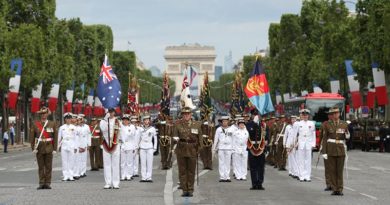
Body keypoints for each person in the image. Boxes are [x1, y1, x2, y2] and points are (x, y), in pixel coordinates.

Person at [172, 107, 203, 197]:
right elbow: (174, 136)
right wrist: (174, 142)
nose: (186, 115)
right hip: (181, 149)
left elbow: (200, 138)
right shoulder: (178, 124)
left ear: (191, 115)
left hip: (193, 149)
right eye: (184, 114)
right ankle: (184, 190)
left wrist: (200, 149)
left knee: (191, 171)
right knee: (182, 171)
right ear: (182, 115)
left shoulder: (197, 124)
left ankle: (190, 189)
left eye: (188, 114)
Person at [322, 107, 350, 196]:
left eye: (336, 113)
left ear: (339, 114)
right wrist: (324, 152)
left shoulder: (344, 124)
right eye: (333, 113)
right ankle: (335, 189)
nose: (335, 115)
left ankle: (340, 189)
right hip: (331, 149)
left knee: (339, 171)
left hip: (341, 150)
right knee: (332, 170)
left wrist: (348, 136)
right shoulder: (327, 124)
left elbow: (347, 138)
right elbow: (325, 138)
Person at [30, 107, 58, 190]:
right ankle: (41, 183)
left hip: (49, 147)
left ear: (47, 114)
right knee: (41, 167)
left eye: (45, 113)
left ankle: (48, 183)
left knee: (49, 166)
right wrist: (33, 148)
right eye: (42, 114)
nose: (43, 115)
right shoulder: (35, 124)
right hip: (39, 148)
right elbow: (32, 138)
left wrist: (55, 149)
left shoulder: (52, 124)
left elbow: (55, 137)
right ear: (40, 115)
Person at [100, 108, 121, 189]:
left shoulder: (118, 121)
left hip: (115, 144)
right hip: (106, 144)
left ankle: (116, 183)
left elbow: (121, 132)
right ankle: (108, 183)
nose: (111, 113)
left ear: (114, 112)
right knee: (107, 164)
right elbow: (103, 129)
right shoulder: (103, 121)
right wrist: (105, 119)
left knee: (115, 164)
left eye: (112, 112)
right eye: (109, 112)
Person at [293, 109, 316, 182]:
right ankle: (301, 176)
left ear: (308, 116)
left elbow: (313, 134)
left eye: (306, 115)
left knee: (308, 160)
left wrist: (313, 144)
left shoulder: (311, 123)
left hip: (308, 143)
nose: (305, 116)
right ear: (302, 116)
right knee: (301, 160)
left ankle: (307, 176)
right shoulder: (298, 124)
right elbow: (295, 134)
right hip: (301, 143)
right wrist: (294, 143)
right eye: (303, 115)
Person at [247, 115, 268, 190]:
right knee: (253, 167)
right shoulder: (249, 124)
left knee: (261, 167)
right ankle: (254, 184)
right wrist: (254, 123)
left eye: (258, 115)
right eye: (255, 115)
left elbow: (266, 135)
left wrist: (266, 144)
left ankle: (260, 183)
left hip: (261, 147)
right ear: (252, 116)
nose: (257, 116)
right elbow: (250, 131)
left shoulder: (264, 124)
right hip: (252, 147)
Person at [213, 116, 234, 182]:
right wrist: (214, 148)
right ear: (221, 122)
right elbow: (216, 139)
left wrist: (233, 148)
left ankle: (227, 177)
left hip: (229, 147)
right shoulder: (218, 129)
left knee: (228, 163)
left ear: (228, 122)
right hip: (221, 147)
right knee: (221, 162)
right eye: (223, 121)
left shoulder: (231, 129)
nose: (225, 122)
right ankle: (222, 177)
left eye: (226, 121)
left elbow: (233, 139)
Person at [58, 113, 77, 181]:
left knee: (71, 161)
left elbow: (75, 138)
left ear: (71, 119)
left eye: (69, 118)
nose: (68, 120)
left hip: (71, 144)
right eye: (67, 119)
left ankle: (71, 175)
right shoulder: (62, 127)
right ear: (65, 119)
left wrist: (75, 147)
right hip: (64, 144)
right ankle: (65, 175)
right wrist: (58, 146)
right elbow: (59, 138)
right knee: (64, 161)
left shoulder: (74, 127)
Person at [139, 115, 157, 182]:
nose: (146, 121)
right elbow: (138, 138)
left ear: (149, 121)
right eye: (145, 120)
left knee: (149, 163)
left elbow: (155, 139)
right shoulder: (140, 128)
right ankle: (143, 177)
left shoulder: (152, 128)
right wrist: (137, 147)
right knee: (143, 163)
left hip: (149, 146)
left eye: (147, 120)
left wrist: (155, 148)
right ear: (143, 121)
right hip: (142, 146)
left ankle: (149, 177)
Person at [319, 110, 334, 191]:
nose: (330, 116)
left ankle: (334, 184)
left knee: (334, 167)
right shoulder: (324, 124)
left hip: (334, 148)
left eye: (332, 115)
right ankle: (329, 184)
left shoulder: (337, 124)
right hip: (327, 148)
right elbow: (322, 136)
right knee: (327, 167)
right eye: (329, 115)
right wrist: (320, 147)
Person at [120, 114, 136, 181]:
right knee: (123, 162)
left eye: (126, 120)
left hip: (130, 145)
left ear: (129, 121)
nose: (125, 121)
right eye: (124, 120)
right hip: (123, 146)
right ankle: (123, 175)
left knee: (129, 162)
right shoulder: (120, 127)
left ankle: (129, 175)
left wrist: (134, 147)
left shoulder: (132, 127)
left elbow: (133, 135)